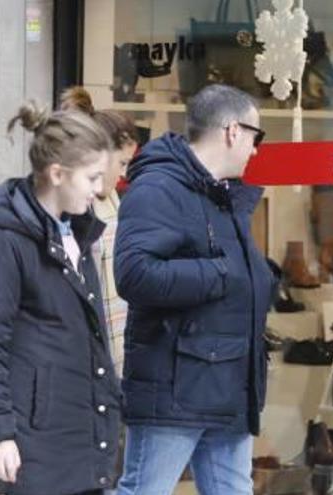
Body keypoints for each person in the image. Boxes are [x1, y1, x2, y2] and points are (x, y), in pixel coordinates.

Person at [114, 84, 274, 495]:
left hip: (227, 382)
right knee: (143, 491)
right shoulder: (158, 188)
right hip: (175, 388)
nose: (256, 150)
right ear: (232, 131)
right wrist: (221, 274)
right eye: (257, 136)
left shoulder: (220, 194)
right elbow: (135, 274)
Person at [0, 102, 121, 495]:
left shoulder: (78, 234)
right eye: (91, 177)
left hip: (78, 441)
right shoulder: (2, 239)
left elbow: (91, 340)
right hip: (30, 447)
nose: (99, 190)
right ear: (56, 174)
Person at [60, 86, 139, 376]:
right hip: (86, 367)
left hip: (116, 362)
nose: (124, 173)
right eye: (122, 163)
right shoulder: (71, 208)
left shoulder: (113, 201)